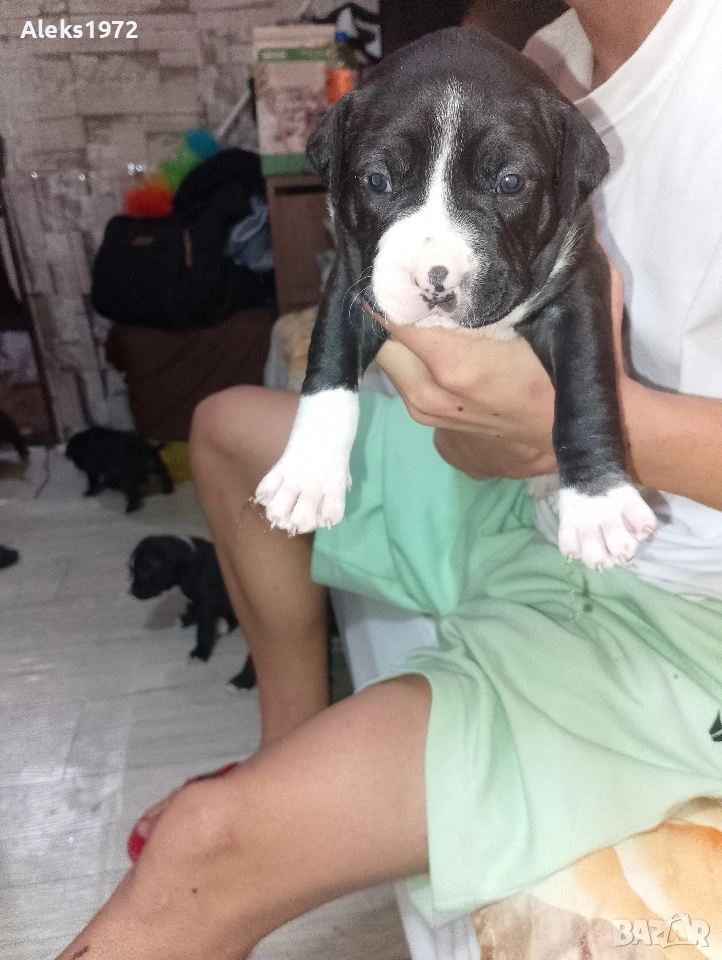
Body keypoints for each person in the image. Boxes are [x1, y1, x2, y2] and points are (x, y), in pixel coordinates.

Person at [58, 1, 722, 957]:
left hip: (682, 615)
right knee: (228, 430)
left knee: (204, 851)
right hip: (527, 509)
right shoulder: (549, 54)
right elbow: (475, 439)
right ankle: (285, 737)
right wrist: (480, 422)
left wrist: (592, 432)